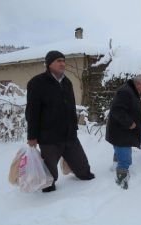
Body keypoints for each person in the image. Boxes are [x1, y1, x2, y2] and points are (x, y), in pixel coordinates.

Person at [25, 50, 95, 192]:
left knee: (85, 173)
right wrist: (32, 137)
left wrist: (74, 128)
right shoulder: (37, 83)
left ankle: (81, 174)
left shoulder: (67, 82)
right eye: (58, 61)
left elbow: (70, 107)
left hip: (69, 137)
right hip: (49, 138)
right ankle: (49, 203)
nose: (63, 63)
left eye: (63, 60)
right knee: (48, 183)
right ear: (49, 64)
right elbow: (32, 112)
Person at [106, 74, 141, 189]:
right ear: (138, 84)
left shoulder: (131, 90)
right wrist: (129, 123)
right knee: (125, 158)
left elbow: (130, 108)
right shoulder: (126, 91)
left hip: (121, 131)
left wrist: (140, 118)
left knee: (120, 150)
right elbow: (117, 110)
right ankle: (121, 180)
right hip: (121, 131)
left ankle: (115, 165)